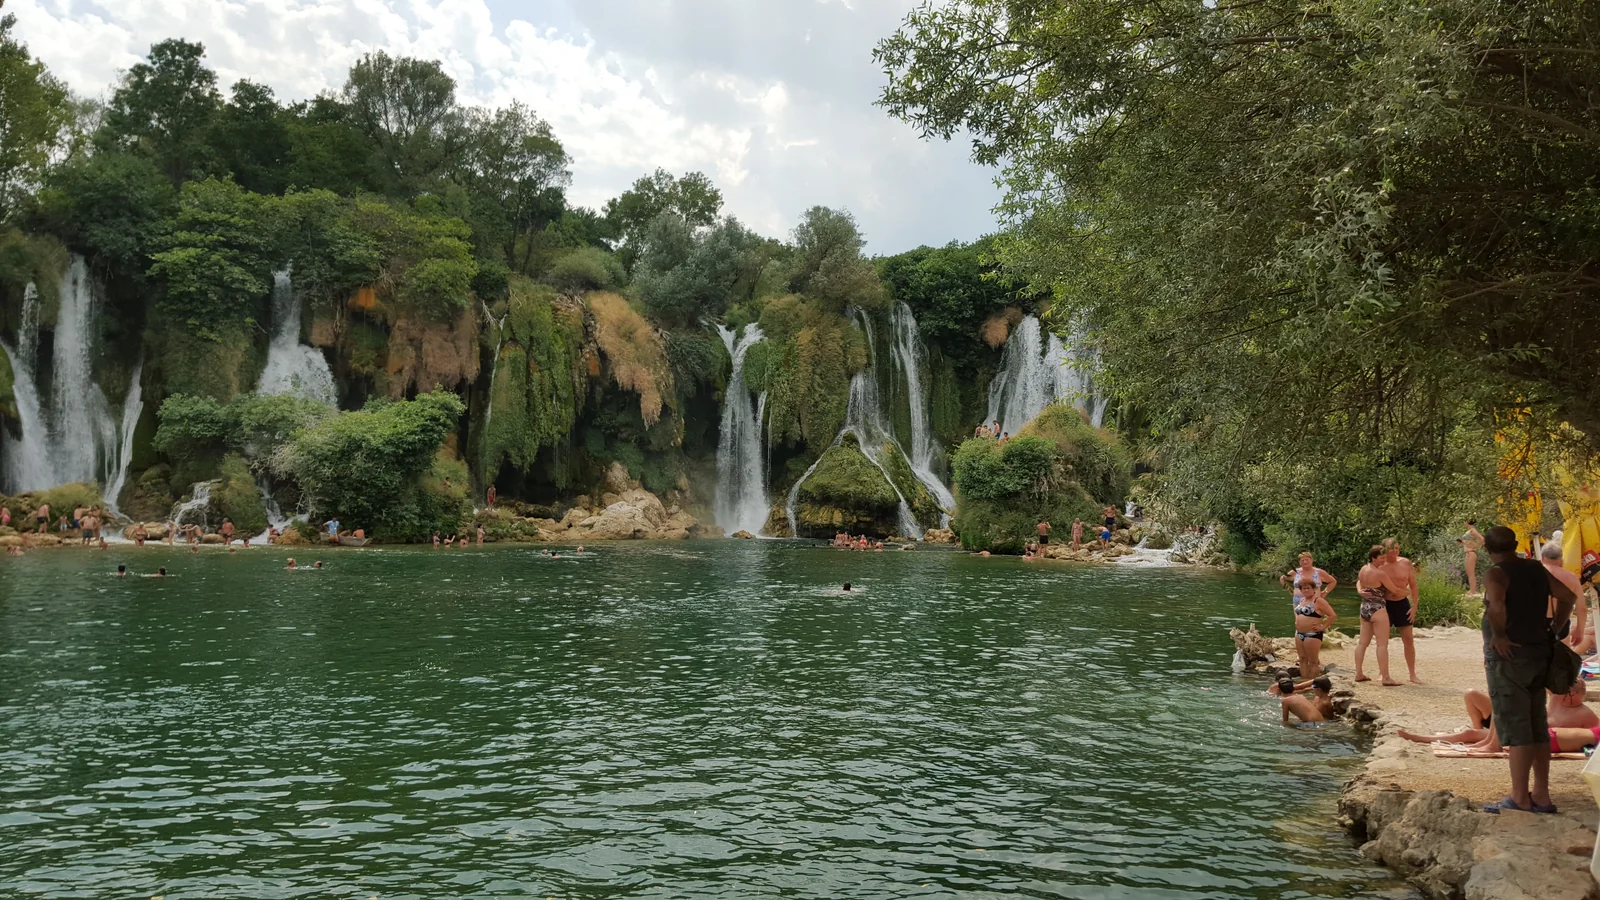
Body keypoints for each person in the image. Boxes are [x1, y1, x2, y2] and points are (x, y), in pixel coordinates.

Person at [1481, 524, 1579, 814]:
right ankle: (1542, 796)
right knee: (1538, 726)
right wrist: (1556, 626)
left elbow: (1497, 605)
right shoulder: (1536, 568)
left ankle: (1519, 798)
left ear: (1488, 550)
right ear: (1514, 545)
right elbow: (1568, 597)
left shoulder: (1496, 573)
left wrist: (1499, 635)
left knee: (1517, 728)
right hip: (1540, 654)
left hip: (1510, 658)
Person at [1282, 552, 1339, 677]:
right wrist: (1286, 586)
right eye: (1302, 560)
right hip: (1299, 629)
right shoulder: (1301, 597)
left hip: (1312, 631)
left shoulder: (1318, 597)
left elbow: (1333, 615)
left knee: (1313, 661)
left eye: (1307, 559)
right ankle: (1304, 681)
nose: (1304, 562)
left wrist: (1323, 627)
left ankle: (1313, 684)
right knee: (1302, 659)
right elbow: (1284, 578)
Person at [1352, 545, 1399, 685]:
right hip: (1378, 608)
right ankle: (1385, 677)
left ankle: (1358, 673)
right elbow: (1393, 590)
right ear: (1373, 558)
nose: (1384, 560)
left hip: (1364, 607)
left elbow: (1359, 581)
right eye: (1382, 558)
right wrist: (1407, 591)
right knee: (1382, 644)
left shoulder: (1363, 569)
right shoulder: (1380, 574)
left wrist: (1360, 590)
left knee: (1362, 643)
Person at [1379, 538, 1424, 684]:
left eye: (1397, 548)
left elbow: (1414, 586)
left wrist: (1414, 606)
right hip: (1385, 603)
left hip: (1402, 603)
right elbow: (1364, 578)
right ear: (1384, 549)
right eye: (1391, 548)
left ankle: (1412, 674)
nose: (1395, 550)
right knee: (1383, 641)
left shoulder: (1405, 563)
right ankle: (1383, 673)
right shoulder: (1379, 564)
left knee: (1408, 639)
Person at [1541, 542, 1586, 644]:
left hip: (1537, 622)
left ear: (1542, 557)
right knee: (1561, 657)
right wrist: (1580, 630)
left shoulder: (1532, 574)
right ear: (1561, 558)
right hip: (1561, 622)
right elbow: (1582, 608)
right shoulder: (1572, 578)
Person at [1460, 520, 1484, 594]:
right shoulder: (1469, 530)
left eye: (1464, 521)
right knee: (1469, 572)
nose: (1463, 522)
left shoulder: (1473, 530)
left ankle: (1473, 591)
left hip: (1471, 552)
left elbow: (1482, 539)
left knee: (1471, 573)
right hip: (1468, 552)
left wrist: (1476, 546)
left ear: (1467, 522)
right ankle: (1472, 590)